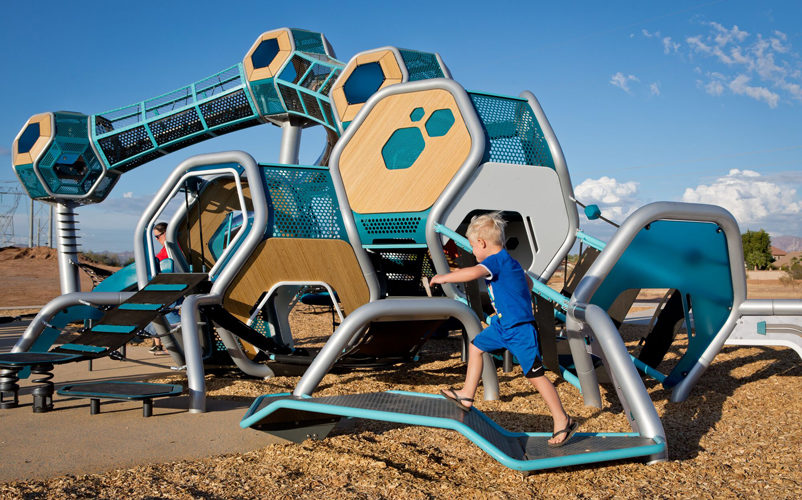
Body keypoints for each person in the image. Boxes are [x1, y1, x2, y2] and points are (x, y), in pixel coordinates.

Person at [430, 213, 578, 447]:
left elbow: (473, 273)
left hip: (520, 330)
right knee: (476, 346)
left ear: (482, 243)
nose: (474, 253)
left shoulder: (494, 261)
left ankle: (563, 419)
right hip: (503, 325)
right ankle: (467, 395)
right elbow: (528, 283)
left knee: (535, 376)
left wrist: (444, 277)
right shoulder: (512, 263)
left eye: (473, 247)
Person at [149, 222, 169, 354]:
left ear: (166, 233)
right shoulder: (166, 249)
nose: (157, 240)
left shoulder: (170, 248)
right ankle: (158, 343)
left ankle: (161, 343)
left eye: (158, 236)